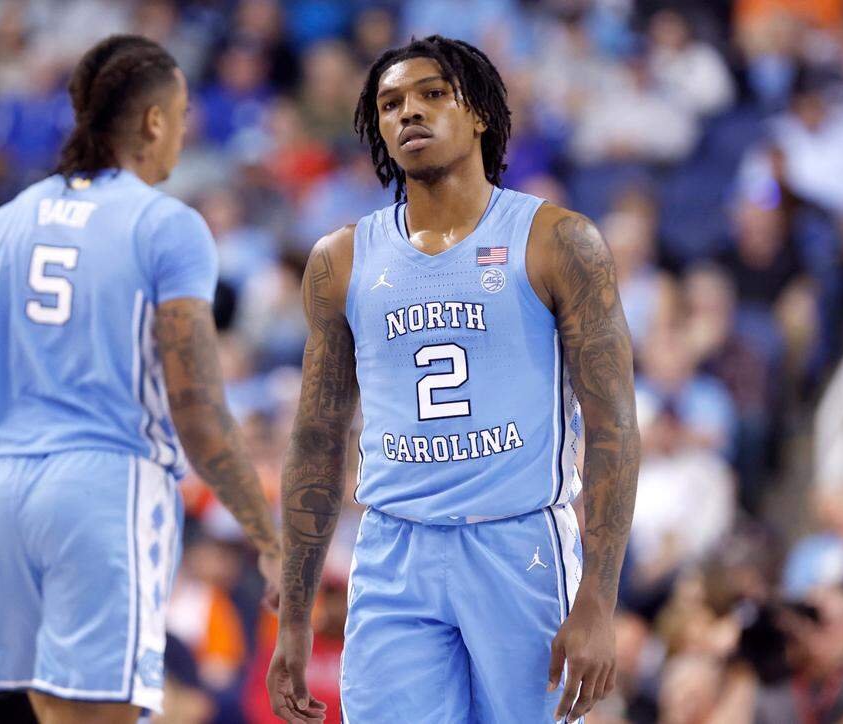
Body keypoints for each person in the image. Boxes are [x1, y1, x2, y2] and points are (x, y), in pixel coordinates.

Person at [0, 35, 281, 724]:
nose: (184, 132)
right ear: (152, 122)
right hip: (103, 490)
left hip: (4, 499)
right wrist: (270, 538)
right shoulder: (168, 226)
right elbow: (197, 409)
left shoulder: (0, 224)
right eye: (180, 115)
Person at [267, 35, 640, 723]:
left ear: (480, 115)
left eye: (433, 94)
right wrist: (294, 615)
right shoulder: (340, 259)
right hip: (392, 551)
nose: (410, 111)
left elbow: (615, 425)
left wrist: (597, 599)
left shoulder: (559, 240)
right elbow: (315, 439)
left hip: (518, 545)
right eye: (391, 103)